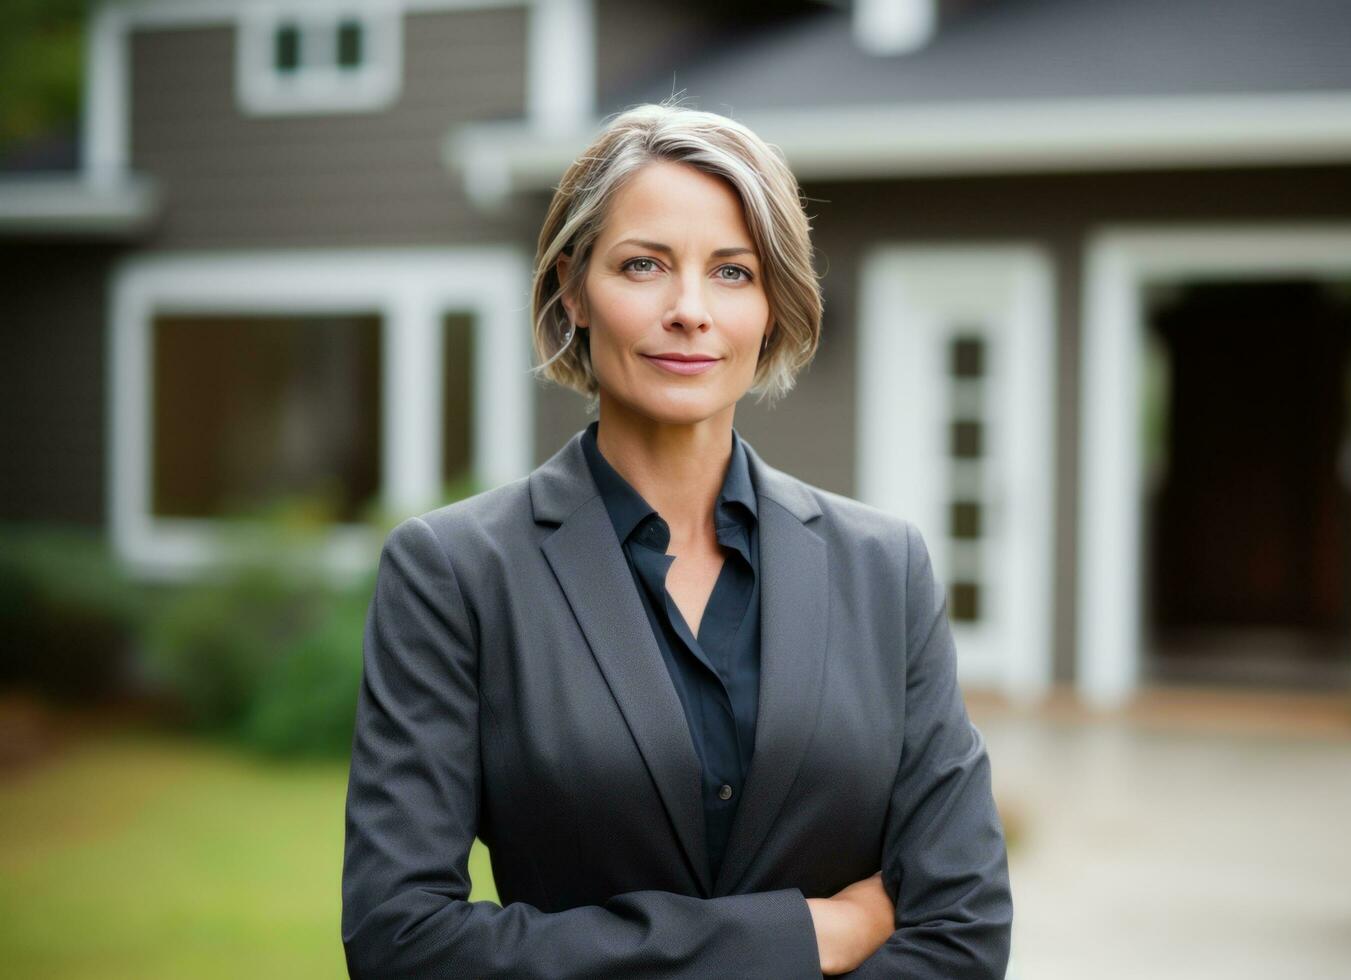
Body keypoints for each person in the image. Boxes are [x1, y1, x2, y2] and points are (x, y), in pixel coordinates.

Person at [341, 101, 1012, 978]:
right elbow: (403, 942)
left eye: (732, 272)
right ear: (573, 288)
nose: (689, 310)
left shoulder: (885, 570)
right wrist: (803, 937)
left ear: (773, 305)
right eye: (644, 265)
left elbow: (962, 928)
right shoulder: (455, 573)